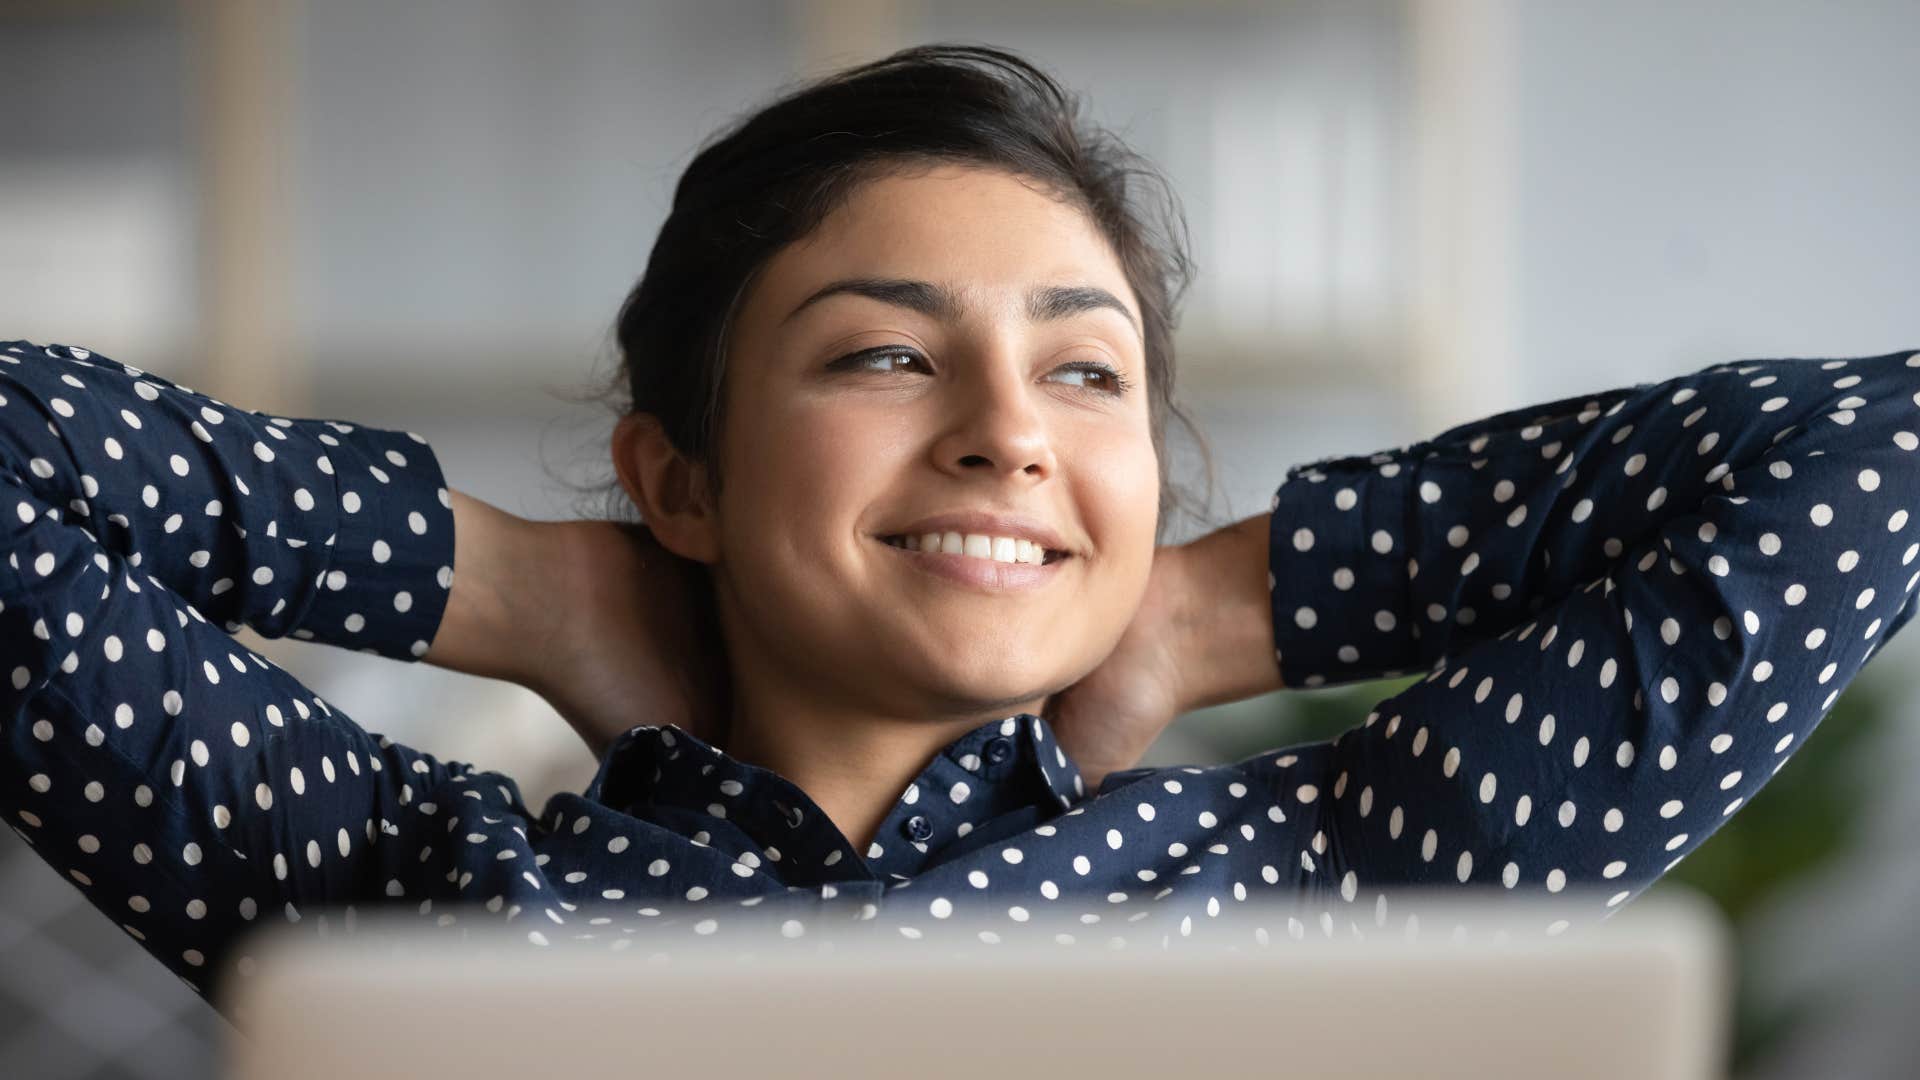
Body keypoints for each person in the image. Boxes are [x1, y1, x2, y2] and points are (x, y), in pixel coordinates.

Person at [4, 44, 1918, 1021]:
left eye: (1089, 378)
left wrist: (1208, 612)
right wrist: (515, 585)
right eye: (888, 353)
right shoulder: (412, 890)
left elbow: (1869, 453)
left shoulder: (1335, 869)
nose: (1009, 431)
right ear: (677, 476)